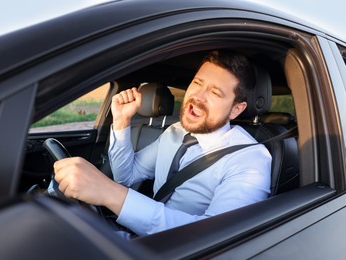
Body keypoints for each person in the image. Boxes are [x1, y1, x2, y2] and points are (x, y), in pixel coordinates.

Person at [54, 50, 272, 237]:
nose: (198, 96)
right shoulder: (175, 132)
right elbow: (126, 177)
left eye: (215, 92)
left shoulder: (250, 160)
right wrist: (121, 121)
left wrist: (108, 192)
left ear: (236, 109)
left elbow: (215, 238)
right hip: (137, 238)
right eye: (197, 83)